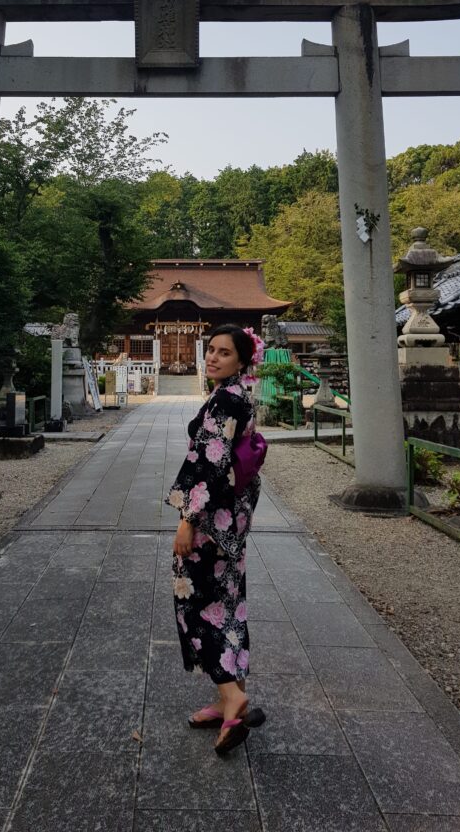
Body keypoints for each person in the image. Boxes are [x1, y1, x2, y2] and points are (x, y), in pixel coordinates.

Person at [166, 323, 265, 755]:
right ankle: (229, 705)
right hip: (232, 517)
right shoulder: (239, 393)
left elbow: (209, 462)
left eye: (224, 353)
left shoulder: (225, 399)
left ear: (241, 361)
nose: (212, 357)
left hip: (210, 519)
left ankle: (232, 694)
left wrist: (188, 519)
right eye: (210, 350)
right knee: (227, 604)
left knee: (195, 602)